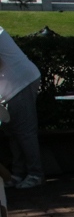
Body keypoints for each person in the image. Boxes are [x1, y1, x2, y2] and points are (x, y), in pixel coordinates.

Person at [0, 26, 44, 189]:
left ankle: (35, 174)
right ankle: (18, 174)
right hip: (12, 86)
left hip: (20, 83)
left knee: (24, 132)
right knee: (12, 132)